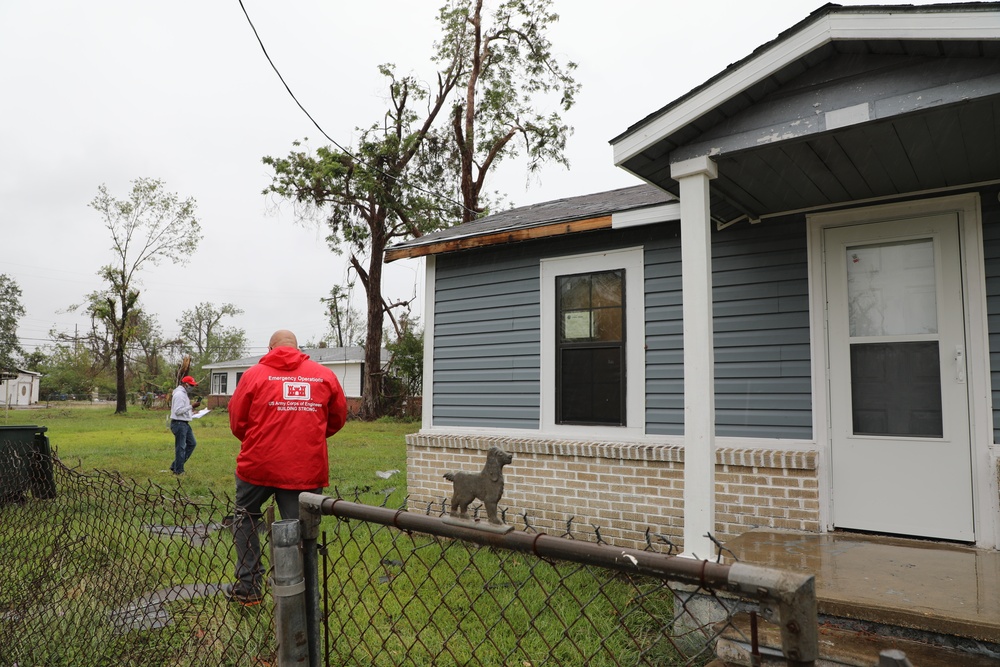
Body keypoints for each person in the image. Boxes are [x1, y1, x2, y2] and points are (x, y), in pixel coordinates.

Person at [226, 329, 347, 605]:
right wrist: (308, 435)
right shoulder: (323, 375)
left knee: (245, 517)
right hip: (303, 470)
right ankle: (301, 596)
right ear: (297, 347)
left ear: (271, 349)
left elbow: (237, 421)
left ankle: (249, 586)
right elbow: (337, 418)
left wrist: (260, 438)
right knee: (301, 532)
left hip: (257, 465)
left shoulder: (253, 375)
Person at [169, 375, 201, 475]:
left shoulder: (183, 393)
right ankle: (178, 471)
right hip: (179, 424)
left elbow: (183, 410)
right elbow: (177, 411)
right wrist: (192, 406)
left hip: (184, 423)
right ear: (185, 384)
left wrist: (192, 413)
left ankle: (176, 465)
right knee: (181, 447)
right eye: (191, 385)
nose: (192, 387)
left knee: (192, 443)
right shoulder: (179, 394)